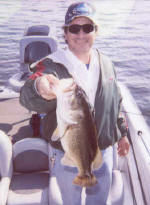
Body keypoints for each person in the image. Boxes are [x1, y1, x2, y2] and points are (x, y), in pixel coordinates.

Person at [20, 2, 130, 205]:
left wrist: (122, 134)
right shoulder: (51, 64)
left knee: (99, 200)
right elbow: (28, 93)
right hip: (67, 152)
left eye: (87, 28)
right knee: (71, 201)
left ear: (96, 31)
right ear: (66, 33)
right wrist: (40, 86)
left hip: (103, 151)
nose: (81, 34)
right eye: (74, 28)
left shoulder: (106, 63)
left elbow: (116, 101)